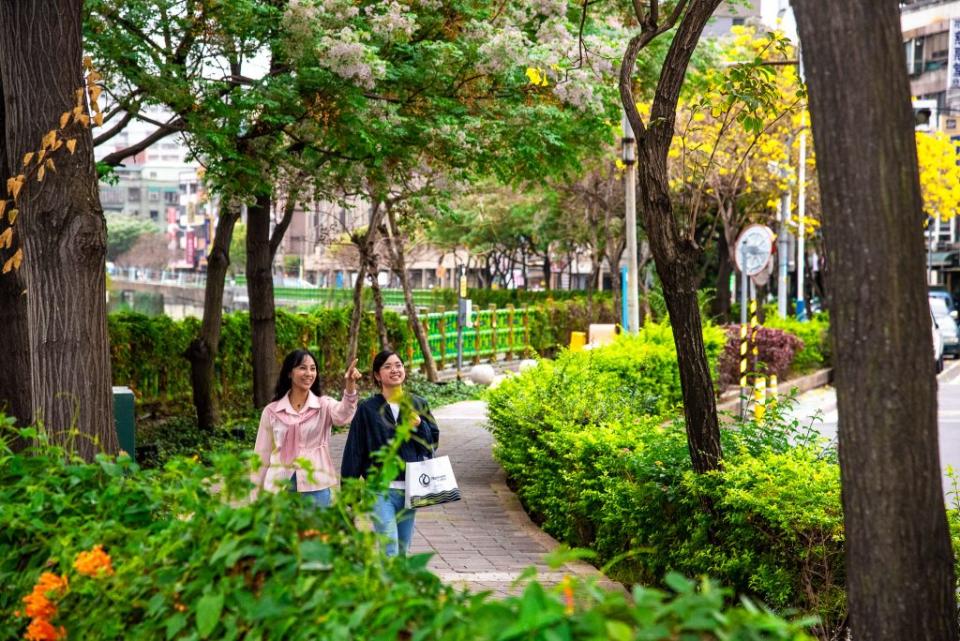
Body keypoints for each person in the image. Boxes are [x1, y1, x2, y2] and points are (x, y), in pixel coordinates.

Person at [341, 350, 439, 556]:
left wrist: (420, 425)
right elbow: (354, 450)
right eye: (387, 366)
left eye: (398, 365)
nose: (395, 370)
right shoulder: (368, 409)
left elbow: (432, 443)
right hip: (379, 490)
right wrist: (349, 494)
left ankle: (397, 588)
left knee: (402, 550)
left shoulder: (418, 404)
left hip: (410, 489)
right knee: (390, 549)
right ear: (377, 375)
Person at [252, 350, 362, 507]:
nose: (309, 373)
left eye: (313, 368)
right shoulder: (272, 411)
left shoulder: (323, 406)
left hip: (316, 487)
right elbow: (261, 456)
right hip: (280, 486)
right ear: (290, 373)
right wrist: (255, 495)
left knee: (316, 532)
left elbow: (343, 415)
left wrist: (350, 387)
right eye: (303, 368)